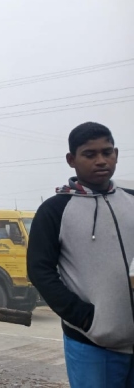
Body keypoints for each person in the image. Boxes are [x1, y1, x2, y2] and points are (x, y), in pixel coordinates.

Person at [27, 122, 134, 387]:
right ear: (71, 159)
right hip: (92, 343)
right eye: (90, 154)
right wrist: (83, 317)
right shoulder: (55, 210)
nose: (101, 161)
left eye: (107, 152)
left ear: (116, 155)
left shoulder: (132, 200)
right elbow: (40, 270)